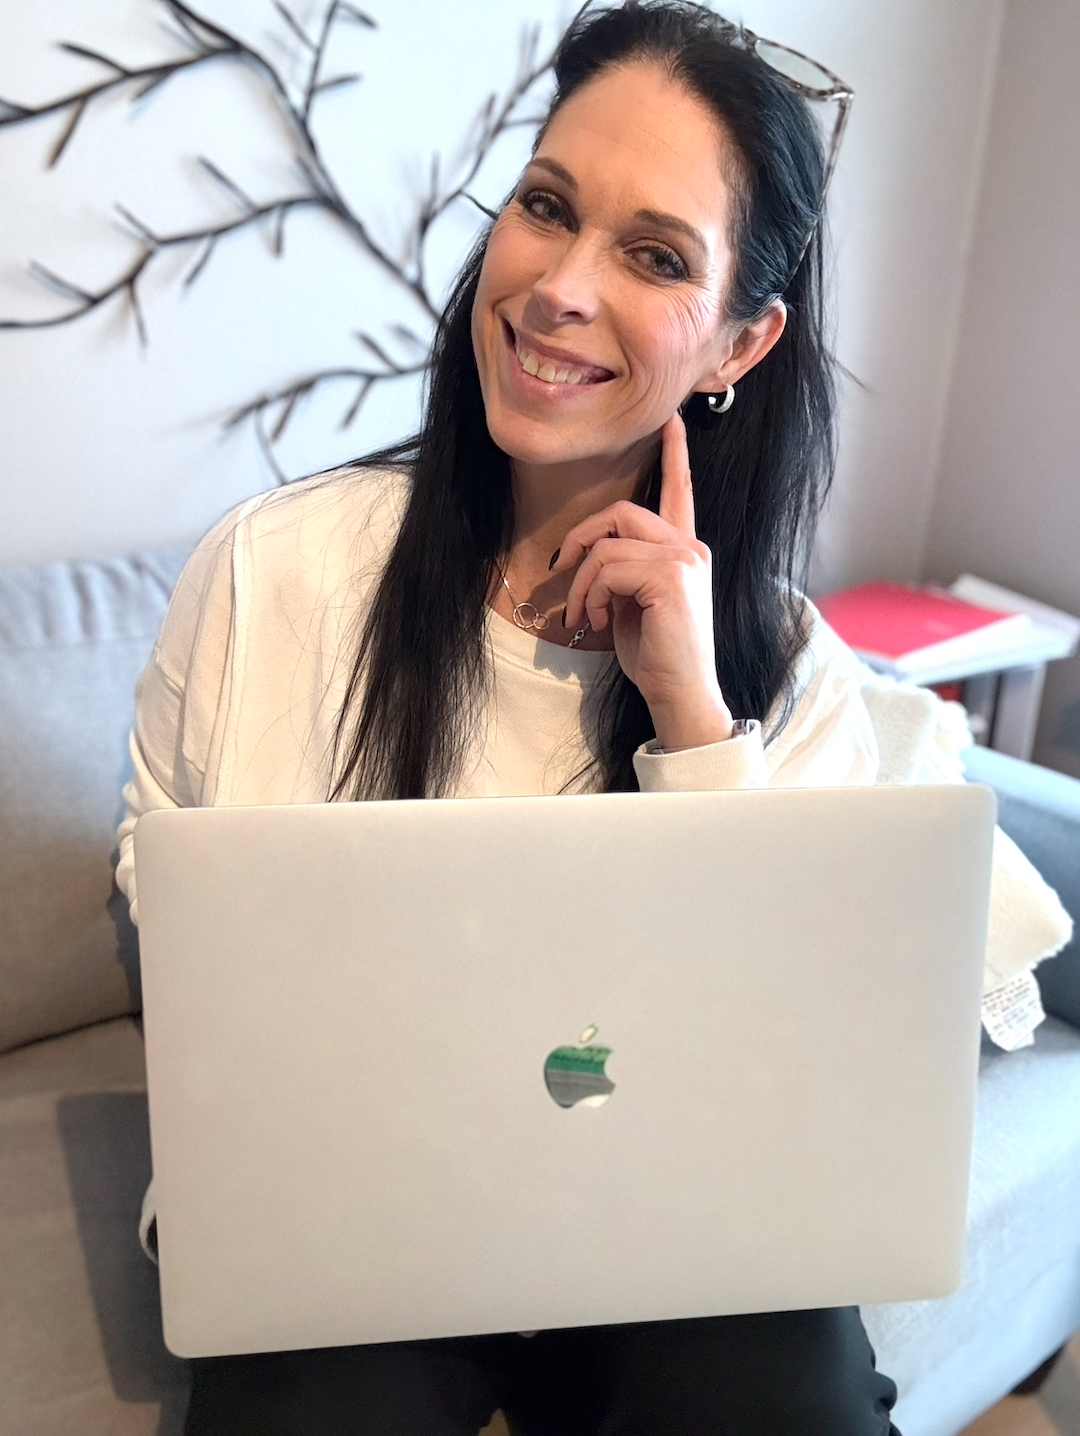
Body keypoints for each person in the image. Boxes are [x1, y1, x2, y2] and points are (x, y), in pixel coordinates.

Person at [115, 2, 1069, 1431]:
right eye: (547, 208)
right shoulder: (275, 571)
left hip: (684, 1243)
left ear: (743, 341)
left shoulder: (786, 666)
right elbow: (175, 912)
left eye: (654, 254)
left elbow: (785, 1078)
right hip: (346, 1220)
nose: (560, 287)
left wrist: (693, 718)